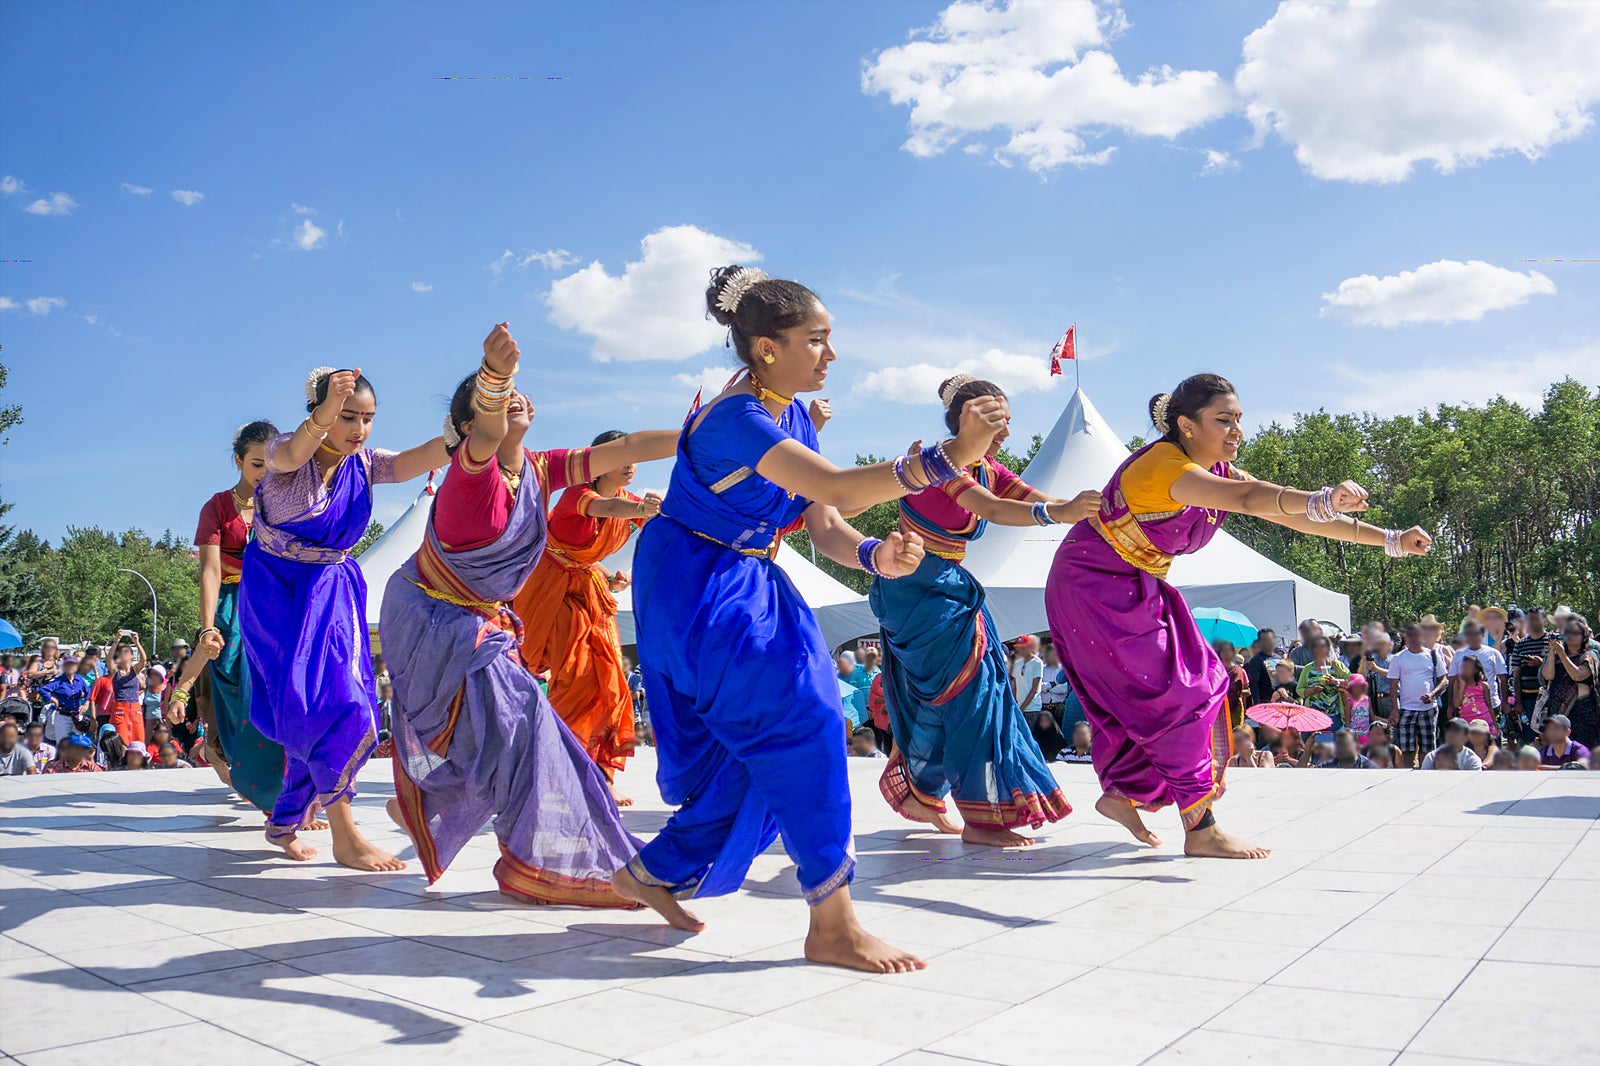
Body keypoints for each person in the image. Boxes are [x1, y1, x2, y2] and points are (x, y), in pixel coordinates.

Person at [622, 265, 1009, 972]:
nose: (830, 355)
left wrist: (872, 554)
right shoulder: (734, 418)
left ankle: (650, 872)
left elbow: (823, 517)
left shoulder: (795, 413)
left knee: (767, 742)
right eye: (816, 340)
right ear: (767, 347)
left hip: (750, 578)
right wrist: (948, 457)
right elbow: (833, 484)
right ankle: (832, 924)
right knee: (804, 723)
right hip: (696, 580)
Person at [1045, 374, 1430, 858]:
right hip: (1093, 584)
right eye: (1222, 420)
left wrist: (1390, 538)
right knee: (1186, 691)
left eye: (1238, 420)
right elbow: (1254, 501)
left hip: (1140, 582)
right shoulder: (1162, 467)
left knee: (1196, 685)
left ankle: (1125, 792)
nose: (1235, 431)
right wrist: (1321, 497)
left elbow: (1287, 513)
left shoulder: (1222, 473)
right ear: (1186, 425)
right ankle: (1199, 828)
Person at [384, 326, 672, 909]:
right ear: (470, 426)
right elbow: (489, 431)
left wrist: (708, 428)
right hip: (433, 618)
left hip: (480, 621)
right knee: (526, 732)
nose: (516, 401)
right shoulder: (473, 471)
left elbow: (625, 449)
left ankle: (445, 807)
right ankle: (548, 863)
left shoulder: (539, 472)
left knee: (516, 736)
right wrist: (494, 376)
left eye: (519, 393)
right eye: (498, 399)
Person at [871, 375, 1098, 847]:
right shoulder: (935, 464)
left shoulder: (986, 467)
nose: (1008, 433)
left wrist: (1089, 508)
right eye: (998, 421)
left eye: (1009, 421)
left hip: (948, 590)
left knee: (981, 696)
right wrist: (1061, 514)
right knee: (970, 700)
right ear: (965, 420)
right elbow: (991, 509)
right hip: (916, 592)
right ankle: (981, 819)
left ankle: (923, 790)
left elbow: (1032, 496)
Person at [239, 365, 446, 869]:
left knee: (347, 705)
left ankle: (304, 823)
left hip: (329, 594)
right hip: (274, 597)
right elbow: (291, 453)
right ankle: (331, 832)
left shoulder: (365, 464)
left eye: (368, 419)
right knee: (304, 711)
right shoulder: (284, 454)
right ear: (320, 412)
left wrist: (471, 424)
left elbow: (421, 458)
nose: (359, 429)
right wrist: (326, 410)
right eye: (348, 417)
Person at [511, 427, 666, 807]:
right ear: (601, 463)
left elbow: (657, 525)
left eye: (633, 459)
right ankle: (554, 770)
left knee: (612, 681)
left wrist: (610, 574)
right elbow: (607, 509)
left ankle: (600, 775)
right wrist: (640, 511)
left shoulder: (631, 499)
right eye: (621, 458)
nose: (631, 465)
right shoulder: (577, 495)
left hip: (588, 589)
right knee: (577, 679)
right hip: (552, 591)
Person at [193, 419, 286, 813]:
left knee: (282, 694)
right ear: (238, 461)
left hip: (277, 605)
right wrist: (208, 626)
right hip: (235, 608)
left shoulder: (285, 503)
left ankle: (282, 793)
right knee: (243, 692)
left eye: (270, 464)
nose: (264, 473)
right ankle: (252, 779)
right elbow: (211, 570)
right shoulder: (217, 507)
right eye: (255, 464)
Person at [1388, 624, 1449, 769]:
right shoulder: (1398, 658)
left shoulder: (1433, 655)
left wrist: (1432, 694)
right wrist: (1395, 709)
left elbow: (1444, 679)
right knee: (1406, 748)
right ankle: (1407, 774)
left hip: (1428, 708)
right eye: (1410, 636)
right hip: (1406, 708)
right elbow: (1392, 685)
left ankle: (1425, 774)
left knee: (1427, 747)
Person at [1537, 615, 1598, 748]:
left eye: (1575, 633)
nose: (1571, 636)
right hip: (1558, 712)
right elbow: (1548, 676)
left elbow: (1578, 675)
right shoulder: (1557, 654)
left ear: (1584, 636)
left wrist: (1562, 654)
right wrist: (1553, 652)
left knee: (1581, 752)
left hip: (1582, 714)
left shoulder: (1589, 655)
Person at [1507, 608, 1550, 745]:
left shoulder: (1553, 642)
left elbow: (1560, 670)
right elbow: (1516, 675)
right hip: (1527, 700)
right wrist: (1518, 702)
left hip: (1549, 699)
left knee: (1549, 738)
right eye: (1530, 619)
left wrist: (1541, 664)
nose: (1533, 622)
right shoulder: (1520, 644)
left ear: (1544, 620)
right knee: (1529, 740)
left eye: (1536, 618)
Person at [1296, 635, 1349, 730]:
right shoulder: (1308, 668)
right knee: (1317, 742)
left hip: (1335, 714)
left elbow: (1353, 682)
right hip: (1314, 715)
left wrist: (1336, 682)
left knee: (1335, 742)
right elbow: (1299, 689)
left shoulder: (1337, 665)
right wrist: (1311, 690)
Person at [37, 656, 91, 745]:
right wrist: (53, 700)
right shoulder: (59, 681)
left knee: (80, 742)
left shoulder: (79, 680)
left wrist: (86, 704)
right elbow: (43, 690)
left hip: (77, 716)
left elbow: (89, 692)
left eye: (73, 665)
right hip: (63, 715)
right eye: (68, 665)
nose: (70, 667)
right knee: (62, 743)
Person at [105, 637, 147, 744]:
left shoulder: (135, 670)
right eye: (122, 652)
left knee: (138, 739)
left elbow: (144, 659)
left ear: (132, 656)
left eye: (127, 652)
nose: (124, 654)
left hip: (135, 708)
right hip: (120, 708)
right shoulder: (116, 672)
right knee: (121, 739)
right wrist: (116, 641)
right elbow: (109, 660)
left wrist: (137, 642)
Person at [1454, 656, 1497, 737]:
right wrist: (1462, 686)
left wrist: (1495, 725)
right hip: (1466, 722)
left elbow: (1489, 706)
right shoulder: (1457, 684)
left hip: (1484, 720)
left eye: (1467, 667)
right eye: (1462, 667)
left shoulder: (1483, 685)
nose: (1464, 670)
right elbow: (1456, 704)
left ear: (1476, 670)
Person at [1214, 640, 1250, 730]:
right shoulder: (1215, 670)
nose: (1226, 653)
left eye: (1228, 650)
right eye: (1223, 650)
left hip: (1233, 709)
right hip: (1215, 708)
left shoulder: (1236, 670)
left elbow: (1237, 689)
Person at [1011, 634, 1047, 726]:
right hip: (1019, 708)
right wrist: (1016, 705)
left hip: (1032, 709)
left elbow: (1034, 688)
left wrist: (1022, 708)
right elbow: (1015, 686)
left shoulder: (1037, 662)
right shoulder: (1017, 663)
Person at [1243, 630, 1276, 708]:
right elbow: (1254, 682)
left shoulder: (1279, 658)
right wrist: (1257, 703)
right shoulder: (1256, 660)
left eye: (1271, 639)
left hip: (1280, 701)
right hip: (1265, 703)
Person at [1341, 673, 1373, 743]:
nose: (1358, 688)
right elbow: (1347, 721)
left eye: (1360, 686)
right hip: (1354, 736)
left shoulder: (1367, 700)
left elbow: (1372, 717)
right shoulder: (1349, 702)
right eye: (1355, 686)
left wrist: (1387, 721)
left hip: (1366, 735)